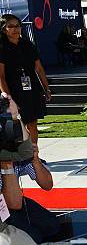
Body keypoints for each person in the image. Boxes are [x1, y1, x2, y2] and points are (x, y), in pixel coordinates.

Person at [0, 14, 51, 147]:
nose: (15, 29)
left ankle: (34, 156)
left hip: (31, 89)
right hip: (12, 91)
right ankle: (20, 159)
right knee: (15, 128)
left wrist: (46, 88)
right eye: (11, 26)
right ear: (3, 29)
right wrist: (8, 99)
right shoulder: (2, 47)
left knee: (32, 124)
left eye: (18, 26)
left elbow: (39, 68)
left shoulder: (27, 44)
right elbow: (1, 76)